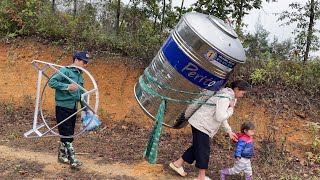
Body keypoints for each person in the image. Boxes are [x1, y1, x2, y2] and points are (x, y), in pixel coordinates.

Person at [169, 80, 251, 180]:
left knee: (197, 147)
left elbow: (222, 117)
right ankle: (201, 177)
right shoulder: (225, 97)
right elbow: (220, 117)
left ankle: (177, 164)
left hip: (202, 123)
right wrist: (231, 110)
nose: (243, 95)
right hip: (201, 124)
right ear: (237, 89)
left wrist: (229, 131)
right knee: (204, 150)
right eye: (243, 93)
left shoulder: (231, 98)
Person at [48, 51, 92, 168]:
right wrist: (67, 86)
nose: (85, 64)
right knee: (66, 133)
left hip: (73, 107)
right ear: (76, 60)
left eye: (86, 63)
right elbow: (51, 82)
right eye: (84, 62)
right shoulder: (65, 70)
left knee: (68, 132)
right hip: (63, 106)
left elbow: (82, 93)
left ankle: (62, 157)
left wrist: (85, 109)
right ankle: (73, 160)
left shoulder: (80, 74)